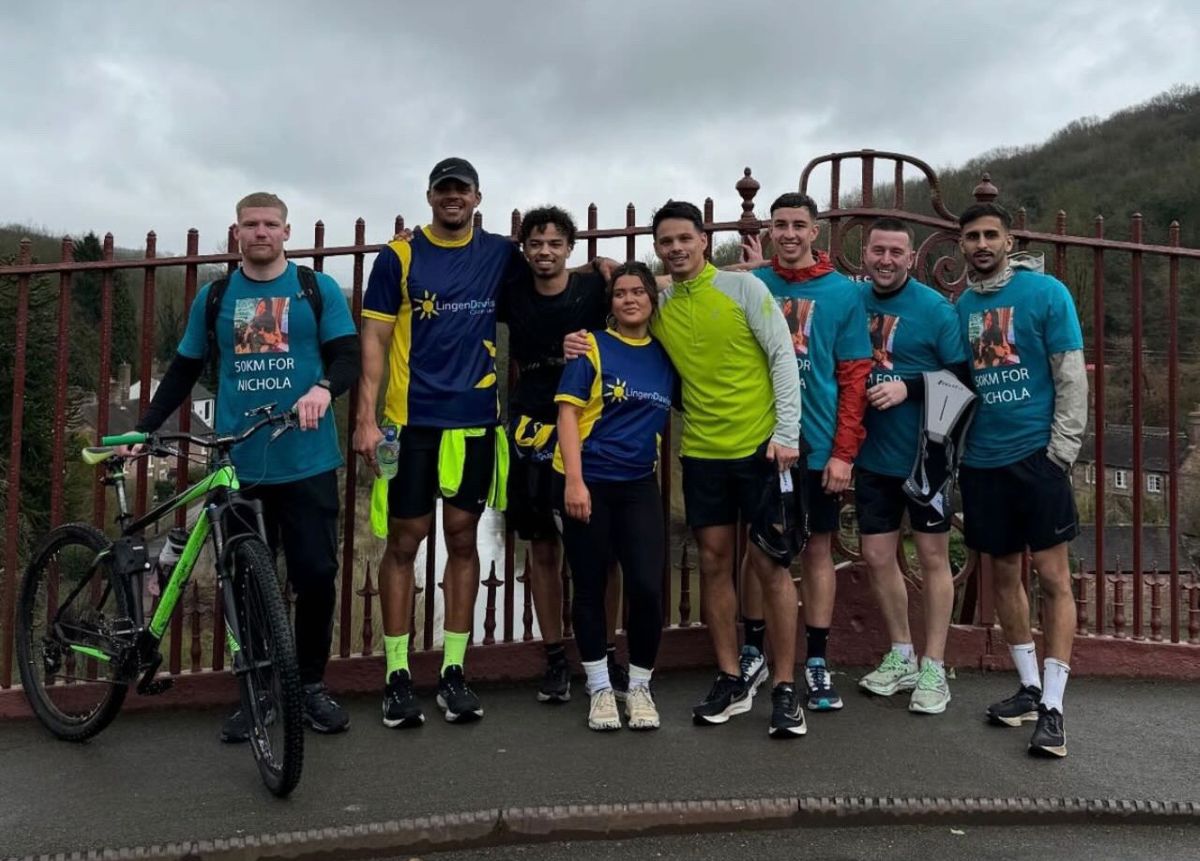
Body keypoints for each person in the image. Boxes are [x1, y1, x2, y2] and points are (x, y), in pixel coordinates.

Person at [129, 191, 360, 740]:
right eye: (250, 224)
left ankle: (308, 687)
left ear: (286, 232)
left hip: (307, 461)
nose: (260, 232)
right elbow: (185, 369)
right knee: (246, 584)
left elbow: (348, 354)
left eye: (270, 224)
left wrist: (326, 389)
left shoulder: (315, 289)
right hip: (239, 465)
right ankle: (257, 692)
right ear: (236, 233)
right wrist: (148, 424)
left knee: (317, 577)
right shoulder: (214, 299)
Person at [571, 200, 805, 736]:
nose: (676, 248)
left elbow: (782, 358)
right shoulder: (663, 302)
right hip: (701, 451)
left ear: (704, 240)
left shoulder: (744, 289)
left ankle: (786, 687)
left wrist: (786, 434)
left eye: (685, 239)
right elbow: (625, 293)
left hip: (761, 449)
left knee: (772, 567)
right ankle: (729, 677)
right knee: (715, 564)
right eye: (666, 242)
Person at [356, 157, 527, 727]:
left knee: (461, 539)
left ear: (478, 197)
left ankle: (454, 669)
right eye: (443, 190)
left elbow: (551, 281)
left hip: (476, 421)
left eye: (462, 190)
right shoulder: (398, 255)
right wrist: (364, 419)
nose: (452, 198)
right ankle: (397, 674)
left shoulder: (501, 253)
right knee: (404, 542)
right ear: (429, 196)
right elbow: (374, 341)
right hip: (411, 424)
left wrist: (601, 266)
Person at [954, 202, 1087, 758]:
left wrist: (1060, 453)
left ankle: (1054, 707)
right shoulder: (962, 305)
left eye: (991, 234)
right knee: (1004, 577)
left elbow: (1070, 375)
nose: (981, 244)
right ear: (961, 245)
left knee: (1054, 578)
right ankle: (1029, 688)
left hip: (1038, 458)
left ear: (1009, 240)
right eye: (972, 237)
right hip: (983, 462)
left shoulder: (1047, 294)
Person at [741, 193, 872, 713]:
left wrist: (844, 453)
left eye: (799, 225)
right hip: (757, 438)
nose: (789, 233)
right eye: (780, 225)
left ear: (816, 232)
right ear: (770, 230)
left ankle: (816, 661)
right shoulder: (752, 285)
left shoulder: (843, 294)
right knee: (755, 550)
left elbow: (854, 376)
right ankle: (753, 650)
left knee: (817, 549)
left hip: (816, 443)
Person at [502, 206, 625, 704]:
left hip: (591, 430)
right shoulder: (509, 292)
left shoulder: (594, 288)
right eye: (536, 244)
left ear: (570, 248)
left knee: (606, 550)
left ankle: (608, 651)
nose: (545, 252)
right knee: (543, 550)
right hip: (532, 430)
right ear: (524, 248)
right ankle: (555, 656)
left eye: (554, 243)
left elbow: (656, 286)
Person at [852, 218, 970, 715]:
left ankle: (933, 665)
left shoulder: (934, 309)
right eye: (878, 250)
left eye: (895, 252)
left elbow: (964, 378)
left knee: (933, 559)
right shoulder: (852, 299)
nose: (886, 260)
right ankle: (901, 653)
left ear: (911, 258)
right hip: (870, 456)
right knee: (878, 557)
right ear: (865, 254)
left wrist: (908, 386)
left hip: (926, 456)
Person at [554, 262, 675, 731]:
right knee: (589, 586)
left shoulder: (666, 355)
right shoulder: (591, 347)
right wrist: (574, 482)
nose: (629, 299)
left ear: (651, 299)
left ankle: (639, 684)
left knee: (646, 586)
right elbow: (567, 415)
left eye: (638, 292)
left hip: (639, 483)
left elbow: (688, 283)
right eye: (620, 292)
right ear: (611, 303)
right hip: (591, 480)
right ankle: (601, 687)